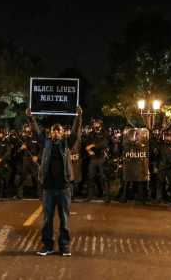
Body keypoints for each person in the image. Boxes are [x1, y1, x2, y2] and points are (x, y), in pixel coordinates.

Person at [28, 106, 82, 257]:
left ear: (63, 132)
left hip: (64, 188)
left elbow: (75, 133)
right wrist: (31, 117)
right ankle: (48, 246)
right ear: (50, 133)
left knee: (64, 219)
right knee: (47, 219)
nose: (56, 132)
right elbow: (36, 132)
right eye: (54, 130)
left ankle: (64, 246)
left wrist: (78, 117)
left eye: (59, 130)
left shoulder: (66, 144)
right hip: (48, 189)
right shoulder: (46, 143)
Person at [85, 119, 110, 202]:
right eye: (94, 124)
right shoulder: (90, 134)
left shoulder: (104, 133)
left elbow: (104, 144)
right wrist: (89, 151)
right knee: (90, 177)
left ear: (100, 125)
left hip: (101, 157)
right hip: (93, 158)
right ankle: (90, 196)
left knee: (103, 177)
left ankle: (106, 197)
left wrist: (93, 145)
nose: (95, 125)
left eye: (97, 123)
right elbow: (86, 145)